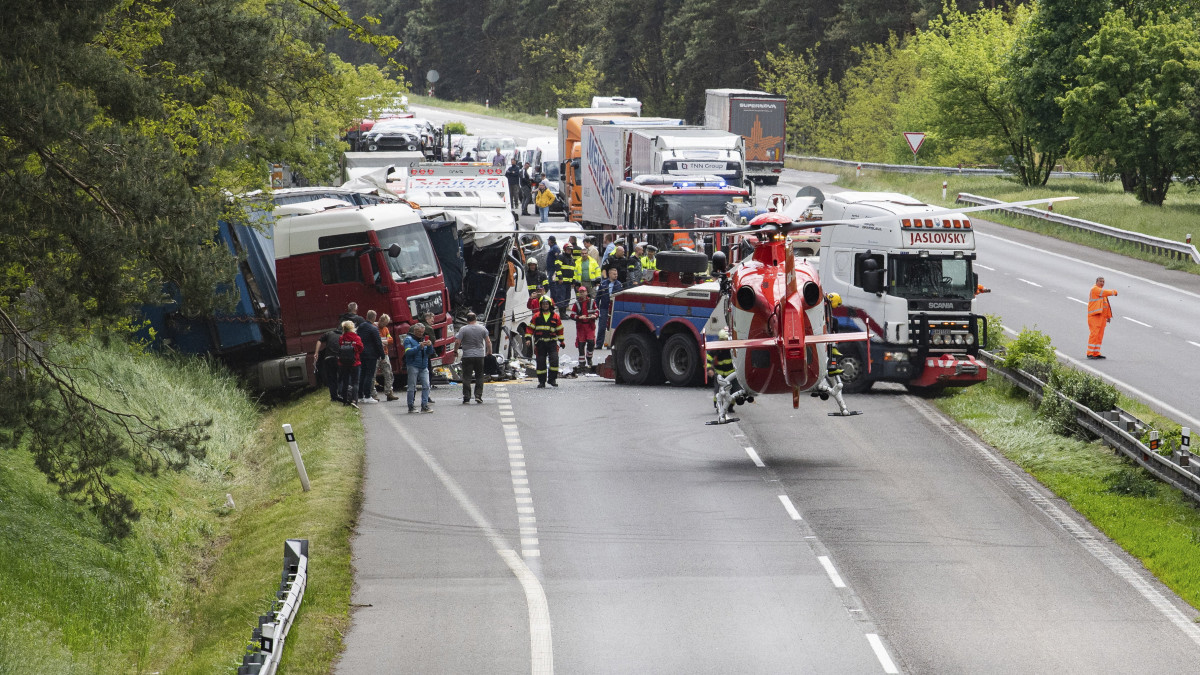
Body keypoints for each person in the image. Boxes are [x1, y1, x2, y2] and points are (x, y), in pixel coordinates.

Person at [526, 296, 565, 388]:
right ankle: (542, 382)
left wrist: (562, 341)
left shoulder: (555, 316)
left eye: (547, 304)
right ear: (541, 305)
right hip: (540, 343)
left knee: (554, 361)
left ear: (550, 305)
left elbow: (559, 329)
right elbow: (530, 328)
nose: (545, 305)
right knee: (540, 363)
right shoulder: (536, 316)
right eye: (543, 304)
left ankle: (552, 379)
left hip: (552, 343)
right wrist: (528, 339)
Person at [454, 311, 492, 403]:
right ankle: (478, 396)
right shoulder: (482, 329)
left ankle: (467, 397)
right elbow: (488, 342)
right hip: (479, 355)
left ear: (467, 320)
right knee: (479, 376)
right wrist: (489, 352)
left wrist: (455, 351)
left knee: (467, 377)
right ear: (475, 319)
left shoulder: (463, 329)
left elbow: (457, 342)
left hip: (467, 356)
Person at [403, 323, 437, 412]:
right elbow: (408, 352)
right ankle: (410, 406)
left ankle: (424, 405)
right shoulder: (408, 340)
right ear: (414, 331)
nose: (420, 333)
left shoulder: (424, 339)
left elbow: (430, 352)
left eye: (422, 332)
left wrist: (430, 345)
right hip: (413, 365)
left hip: (423, 366)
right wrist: (419, 347)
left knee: (426, 385)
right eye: (419, 332)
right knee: (412, 386)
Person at [356, 310, 385, 403]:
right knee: (369, 375)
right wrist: (382, 355)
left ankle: (360, 395)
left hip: (361, 354)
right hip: (371, 355)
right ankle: (367, 396)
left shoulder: (360, 327)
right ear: (374, 318)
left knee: (362, 374)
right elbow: (378, 343)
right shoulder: (373, 328)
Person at [569, 285, 599, 372]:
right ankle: (581, 363)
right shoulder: (576, 303)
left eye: (583, 292)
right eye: (580, 292)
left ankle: (589, 358)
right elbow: (572, 315)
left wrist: (594, 315)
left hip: (590, 326)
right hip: (581, 327)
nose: (582, 294)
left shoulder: (592, 302)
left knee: (591, 343)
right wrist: (578, 317)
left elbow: (597, 311)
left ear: (586, 292)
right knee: (581, 345)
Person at [1087, 276, 1118, 359]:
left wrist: (1108, 316)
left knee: (1099, 335)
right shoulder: (1095, 289)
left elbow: (1105, 306)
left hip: (1102, 317)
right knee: (1094, 334)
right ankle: (1090, 353)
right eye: (1100, 281)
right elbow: (1105, 292)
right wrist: (1114, 292)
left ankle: (1096, 353)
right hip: (1094, 316)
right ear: (1096, 281)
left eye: (1103, 282)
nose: (1102, 283)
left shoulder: (1102, 294)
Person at [313, 324, 343, 402]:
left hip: (328, 359)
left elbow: (319, 340)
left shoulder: (329, 333)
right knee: (341, 377)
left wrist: (316, 353)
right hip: (339, 358)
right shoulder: (343, 335)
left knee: (331, 378)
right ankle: (341, 395)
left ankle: (333, 398)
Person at [337, 320, 363, 409]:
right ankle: (354, 400)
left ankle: (345, 400)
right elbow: (361, 349)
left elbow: (340, 347)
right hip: (355, 362)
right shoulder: (356, 338)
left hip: (343, 363)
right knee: (355, 382)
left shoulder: (341, 338)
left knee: (345, 381)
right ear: (352, 328)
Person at [595, 267, 623, 346]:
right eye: (614, 274)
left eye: (616, 274)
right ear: (609, 274)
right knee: (602, 327)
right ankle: (599, 344)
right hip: (604, 308)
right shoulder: (603, 284)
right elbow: (598, 297)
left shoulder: (619, 285)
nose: (616, 276)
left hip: (614, 309)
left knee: (612, 328)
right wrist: (596, 308)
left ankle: (610, 344)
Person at [376, 313, 398, 401]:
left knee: (389, 373)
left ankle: (389, 392)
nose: (385, 325)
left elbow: (391, 340)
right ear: (380, 320)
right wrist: (384, 341)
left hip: (385, 354)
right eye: (384, 323)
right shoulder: (375, 327)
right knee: (373, 375)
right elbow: (377, 341)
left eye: (386, 324)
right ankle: (373, 395)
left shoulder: (386, 329)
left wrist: (384, 341)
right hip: (376, 355)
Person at [555, 244, 578, 312]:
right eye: (568, 249)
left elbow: (573, 271)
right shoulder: (560, 257)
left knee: (567, 297)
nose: (569, 251)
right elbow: (558, 268)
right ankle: (562, 313)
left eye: (570, 249)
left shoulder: (571, 259)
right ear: (565, 250)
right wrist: (560, 278)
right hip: (561, 282)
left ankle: (564, 310)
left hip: (568, 282)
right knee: (561, 297)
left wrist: (573, 281)